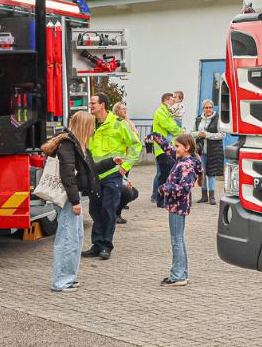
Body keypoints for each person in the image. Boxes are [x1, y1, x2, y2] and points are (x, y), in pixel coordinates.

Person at [41, 112, 121, 292]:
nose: (94, 129)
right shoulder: (68, 145)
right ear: (85, 126)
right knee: (68, 240)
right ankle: (61, 281)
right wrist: (75, 201)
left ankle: (69, 277)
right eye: (91, 125)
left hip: (73, 198)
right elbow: (67, 176)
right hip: (70, 199)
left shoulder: (79, 145)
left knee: (75, 239)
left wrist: (110, 162)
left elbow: (90, 170)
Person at [83, 93, 141, 260]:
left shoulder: (118, 124)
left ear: (103, 105)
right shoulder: (90, 124)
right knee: (95, 210)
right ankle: (96, 244)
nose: (90, 105)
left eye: (93, 103)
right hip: (95, 175)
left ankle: (106, 246)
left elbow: (136, 145)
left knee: (108, 210)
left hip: (112, 175)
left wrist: (126, 165)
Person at [147, 132, 202, 287]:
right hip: (176, 206)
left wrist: (164, 187)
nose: (174, 149)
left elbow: (184, 189)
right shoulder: (183, 159)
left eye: (178, 146)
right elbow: (168, 148)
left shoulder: (186, 165)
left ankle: (178, 276)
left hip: (178, 207)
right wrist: (156, 136)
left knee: (176, 240)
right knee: (179, 240)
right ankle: (182, 273)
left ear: (187, 147)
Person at [151, 93, 182, 206]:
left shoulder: (167, 111)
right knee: (163, 176)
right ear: (165, 100)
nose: (174, 101)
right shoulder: (161, 111)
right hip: (162, 149)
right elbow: (169, 125)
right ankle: (159, 200)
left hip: (167, 148)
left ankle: (164, 198)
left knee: (167, 175)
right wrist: (180, 131)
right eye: (172, 99)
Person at [192, 99, 225, 205]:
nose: (208, 109)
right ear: (203, 109)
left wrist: (207, 135)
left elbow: (222, 135)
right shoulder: (198, 119)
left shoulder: (218, 119)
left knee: (211, 174)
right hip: (200, 151)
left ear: (213, 108)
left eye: (210, 107)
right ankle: (204, 196)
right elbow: (192, 133)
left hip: (214, 151)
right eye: (206, 107)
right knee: (202, 173)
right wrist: (198, 134)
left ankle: (212, 197)